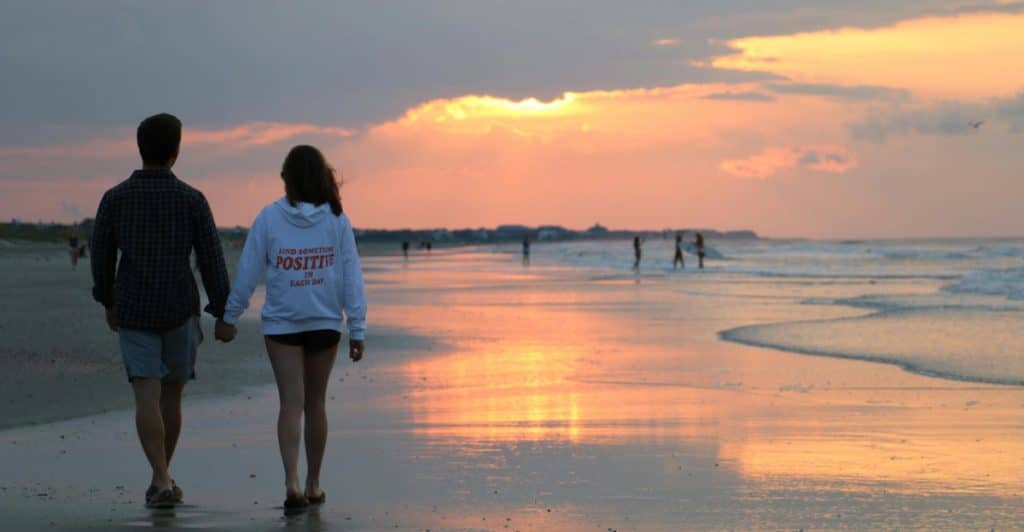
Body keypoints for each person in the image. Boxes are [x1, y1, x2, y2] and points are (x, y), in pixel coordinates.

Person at [89, 113, 233, 509]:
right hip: (179, 307)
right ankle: (162, 478)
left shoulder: (115, 198)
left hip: (134, 306)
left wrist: (108, 299)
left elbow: (101, 254)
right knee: (172, 398)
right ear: (176, 152)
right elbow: (211, 260)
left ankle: (161, 478)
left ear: (140, 148)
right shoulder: (192, 199)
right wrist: (223, 310)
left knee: (146, 397)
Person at [220, 145, 367, 510]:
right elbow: (353, 278)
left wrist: (230, 317)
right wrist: (358, 328)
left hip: (283, 323)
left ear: (287, 180)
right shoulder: (337, 219)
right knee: (315, 403)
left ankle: (292, 483)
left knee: (291, 402)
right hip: (324, 322)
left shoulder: (270, 218)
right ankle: (315, 484)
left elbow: (248, 272)